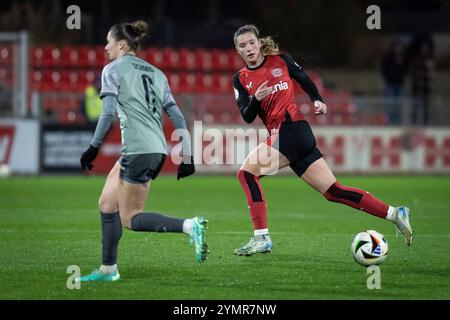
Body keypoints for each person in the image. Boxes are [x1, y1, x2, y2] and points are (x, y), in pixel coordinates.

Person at [231, 25, 413, 256]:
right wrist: (256, 99)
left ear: (259, 43)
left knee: (246, 173)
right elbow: (247, 116)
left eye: (251, 43)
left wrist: (317, 99)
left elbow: (305, 80)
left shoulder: (281, 61)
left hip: (292, 131)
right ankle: (395, 214)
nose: (249, 48)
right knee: (333, 192)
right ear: (237, 51)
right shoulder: (241, 79)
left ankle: (261, 237)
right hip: (293, 137)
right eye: (242, 45)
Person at [77, 20, 208, 282]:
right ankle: (108, 269)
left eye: (109, 42)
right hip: (155, 149)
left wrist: (92, 147)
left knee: (130, 218)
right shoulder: (157, 73)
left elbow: (107, 114)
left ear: (122, 44)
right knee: (106, 203)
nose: (105, 47)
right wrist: (188, 155)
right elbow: (178, 118)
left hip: (138, 150)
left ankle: (189, 226)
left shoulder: (112, 69)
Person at [381, 41, 408, 125]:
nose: (398, 49)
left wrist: (402, 64)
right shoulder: (388, 58)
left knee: (399, 105)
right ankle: (391, 123)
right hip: (391, 85)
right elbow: (384, 70)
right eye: (396, 47)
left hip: (400, 85)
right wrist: (388, 79)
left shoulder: (403, 58)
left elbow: (405, 70)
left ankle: (397, 122)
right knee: (391, 105)